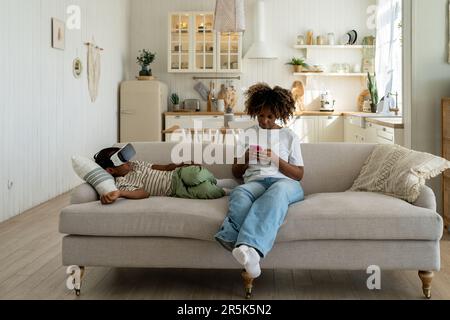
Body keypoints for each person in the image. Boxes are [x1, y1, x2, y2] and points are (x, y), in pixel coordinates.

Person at [214, 83, 305, 279]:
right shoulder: (249, 134)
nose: (264, 121)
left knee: (277, 193)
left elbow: (298, 174)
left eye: (270, 116)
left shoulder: (289, 136)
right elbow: (236, 172)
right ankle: (245, 250)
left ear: (279, 114)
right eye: (260, 116)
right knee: (239, 192)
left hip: (285, 184)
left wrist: (276, 159)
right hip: (256, 183)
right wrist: (246, 157)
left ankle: (246, 245)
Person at [94, 148, 225, 204]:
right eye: (122, 161)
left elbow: (163, 167)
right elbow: (143, 193)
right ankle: (222, 188)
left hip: (176, 174)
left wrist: (181, 165)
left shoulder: (135, 164)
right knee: (210, 192)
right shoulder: (122, 183)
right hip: (175, 190)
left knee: (195, 174)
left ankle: (218, 181)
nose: (127, 161)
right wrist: (120, 193)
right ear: (111, 170)